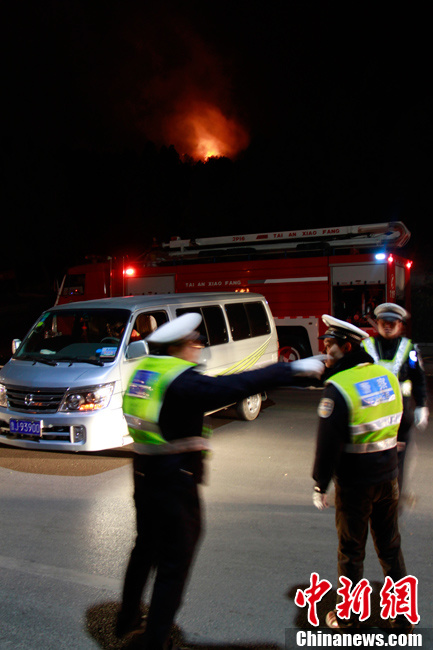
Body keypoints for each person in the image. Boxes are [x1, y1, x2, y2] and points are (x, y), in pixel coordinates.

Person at [117, 313, 325, 649]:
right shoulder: (181, 381)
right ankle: (154, 640)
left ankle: (127, 617)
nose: (199, 346)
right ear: (179, 346)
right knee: (174, 561)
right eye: (195, 341)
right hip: (174, 481)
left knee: (144, 549)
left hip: (144, 473)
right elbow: (233, 386)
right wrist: (290, 370)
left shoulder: (146, 371)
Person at [312, 315, 412, 632]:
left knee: (351, 551)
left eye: (331, 345)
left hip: (355, 484)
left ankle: (348, 616)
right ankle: (404, 617)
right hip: (388, 478)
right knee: (390, 547)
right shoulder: (386, 377)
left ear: (347, 347)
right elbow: (406, 418)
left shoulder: (339, 388)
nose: (326, 352)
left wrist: (320, 484)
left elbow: (327, 444)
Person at [362, 303, 429, 501]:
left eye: (392, 323)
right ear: (377, 323)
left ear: (400, 324)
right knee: (370, 459)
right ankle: (371, 496)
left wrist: (421, 405)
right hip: (371, 416)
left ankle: (393, 499)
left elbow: (418, 379)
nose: (388, 326)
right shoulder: (365, 347)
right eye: (384, 322)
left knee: (397, 461)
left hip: (400, 417)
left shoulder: (409, 349)